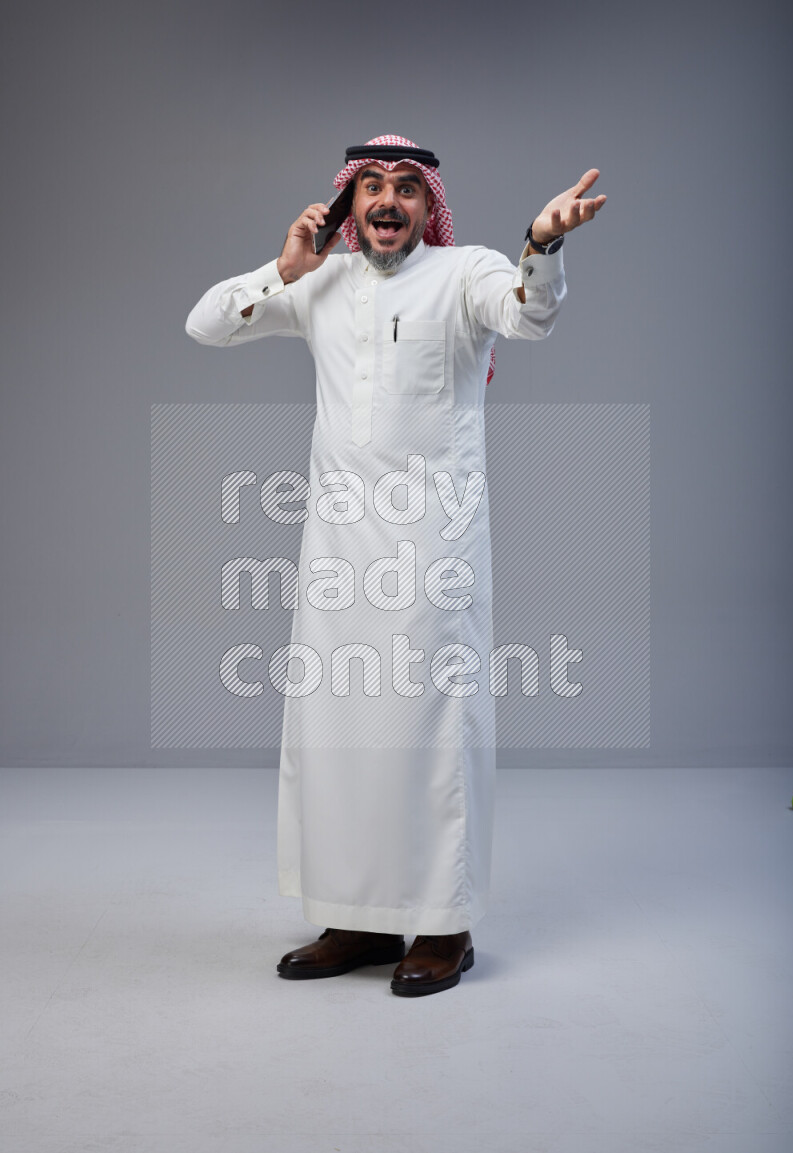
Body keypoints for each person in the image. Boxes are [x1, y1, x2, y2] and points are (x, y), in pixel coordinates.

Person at [186, 135, 605, 997]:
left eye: (406, 188)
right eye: (370, 185)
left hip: (431, 556)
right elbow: (206, 323)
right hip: (338, 555)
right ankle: (359, 918)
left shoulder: (465, 273)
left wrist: (544, 243)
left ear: (427, 206)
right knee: (338, 736)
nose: (386, 201)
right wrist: (284, 268)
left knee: (429, 736)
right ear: (349, 202)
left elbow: (529, 312)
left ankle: (446, 927)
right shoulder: (321, 284)